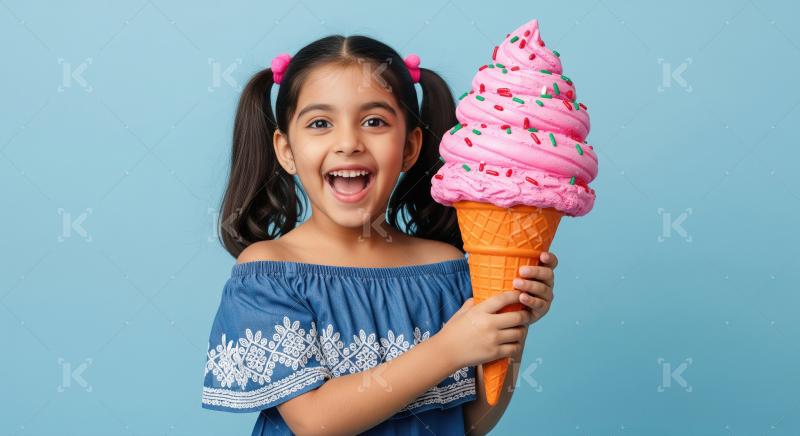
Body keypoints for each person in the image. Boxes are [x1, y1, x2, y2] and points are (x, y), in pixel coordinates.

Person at [201, 34, 559, 435]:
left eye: (374, 122)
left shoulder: (445, 269)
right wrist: (449, 348)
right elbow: (316, 422)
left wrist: (510, 323)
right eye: (320, 123)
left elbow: (472, 424)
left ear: (409, 147)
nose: (348, 143)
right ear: (286, 150)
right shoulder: (270, 272)